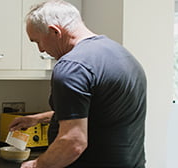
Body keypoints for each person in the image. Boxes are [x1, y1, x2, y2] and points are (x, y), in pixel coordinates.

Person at [9, 0, 147, 167]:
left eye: (38, 41)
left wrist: (36, 165)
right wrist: (37, 119)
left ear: (54, 32)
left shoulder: (72, 67)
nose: (41, 50)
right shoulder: (122, 55)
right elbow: (95, 111)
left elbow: (73, 142)